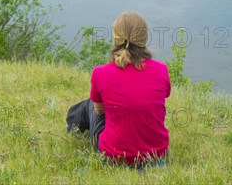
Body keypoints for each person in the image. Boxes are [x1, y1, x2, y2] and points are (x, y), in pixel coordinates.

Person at [66, 11, 171, 167]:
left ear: (116, 38)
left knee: (89, 104)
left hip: (115, 157)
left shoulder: (100, 73)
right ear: (144, 38)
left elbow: (99, 111)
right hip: (157, 156)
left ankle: (71, 127)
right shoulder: (161, 69)